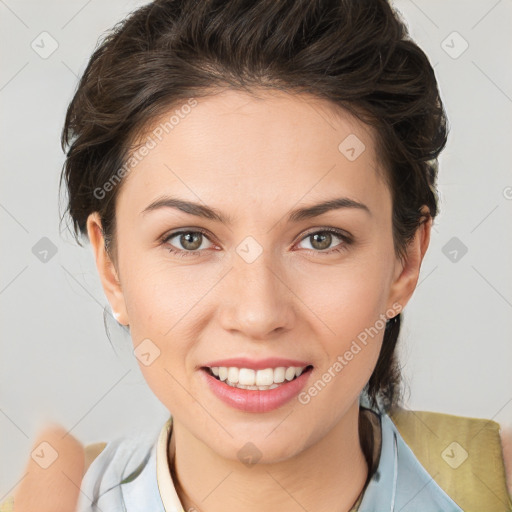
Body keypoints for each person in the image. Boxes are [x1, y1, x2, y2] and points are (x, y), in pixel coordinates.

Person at [4, 0, 511, 511]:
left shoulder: (491, 485)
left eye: (321, 238)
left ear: (405, 262)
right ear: (111, 268)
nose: (257, 314)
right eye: (189, 239)